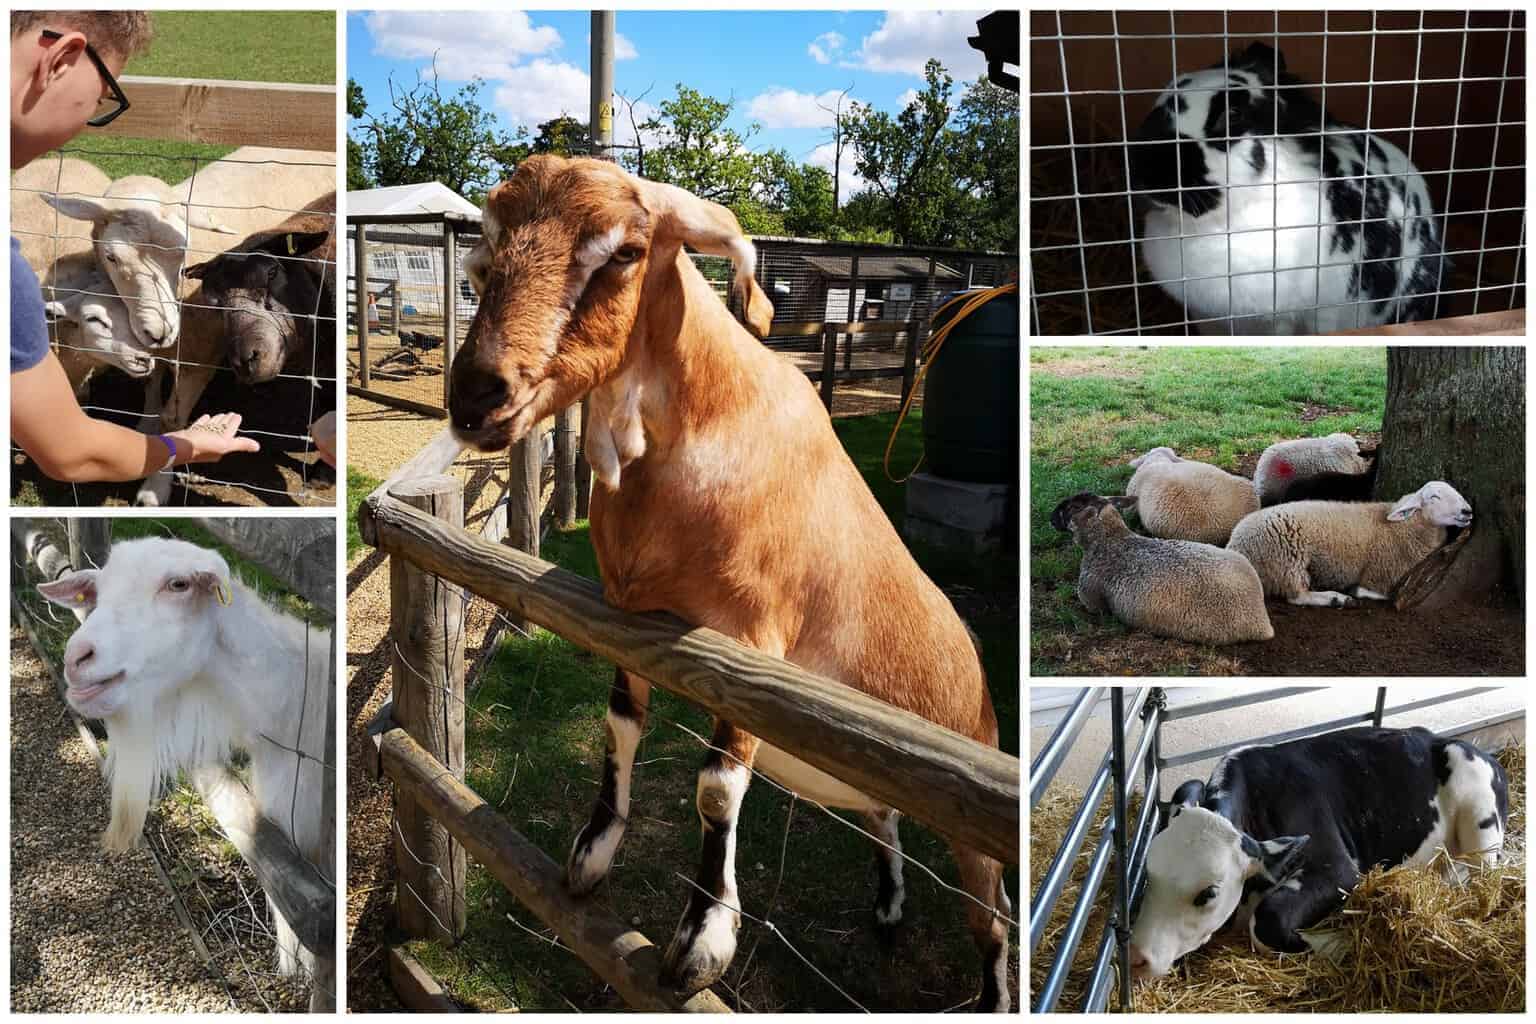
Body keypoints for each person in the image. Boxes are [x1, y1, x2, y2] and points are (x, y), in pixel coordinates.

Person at [10, 12, 258, 485]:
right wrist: (182, 445)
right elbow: (71, 452)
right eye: (103, 98)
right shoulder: (12, 279)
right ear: (61, 60)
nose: (89, 122)